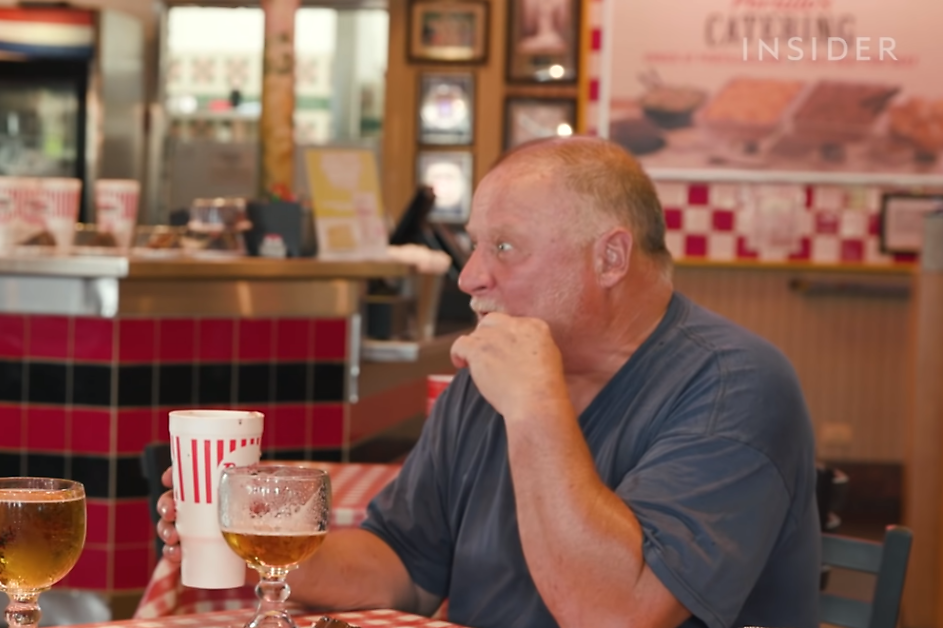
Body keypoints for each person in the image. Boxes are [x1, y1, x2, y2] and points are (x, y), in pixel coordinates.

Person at [157, 137, 821, 628]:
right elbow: (403, 566)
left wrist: (534, 405)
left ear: (611, 258)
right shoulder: (489, 382)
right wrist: (261, 543)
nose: (471, 276)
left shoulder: (734, 387)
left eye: (504, 247)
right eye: (474, 245)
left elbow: (615, 614)